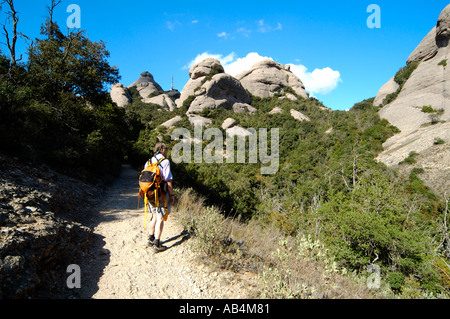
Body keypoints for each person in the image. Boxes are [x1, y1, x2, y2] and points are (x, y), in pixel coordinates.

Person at [145, 142, 175, 253]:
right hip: (161, 193)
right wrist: (171, 195)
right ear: (161, 149)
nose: (167, 151)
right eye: (166, 149)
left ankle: (150, 239)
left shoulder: (148, 161)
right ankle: (157, 245)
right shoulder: (165, 162)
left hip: (149, 193)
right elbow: (168, 180)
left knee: (154, 216)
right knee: (160, 217)